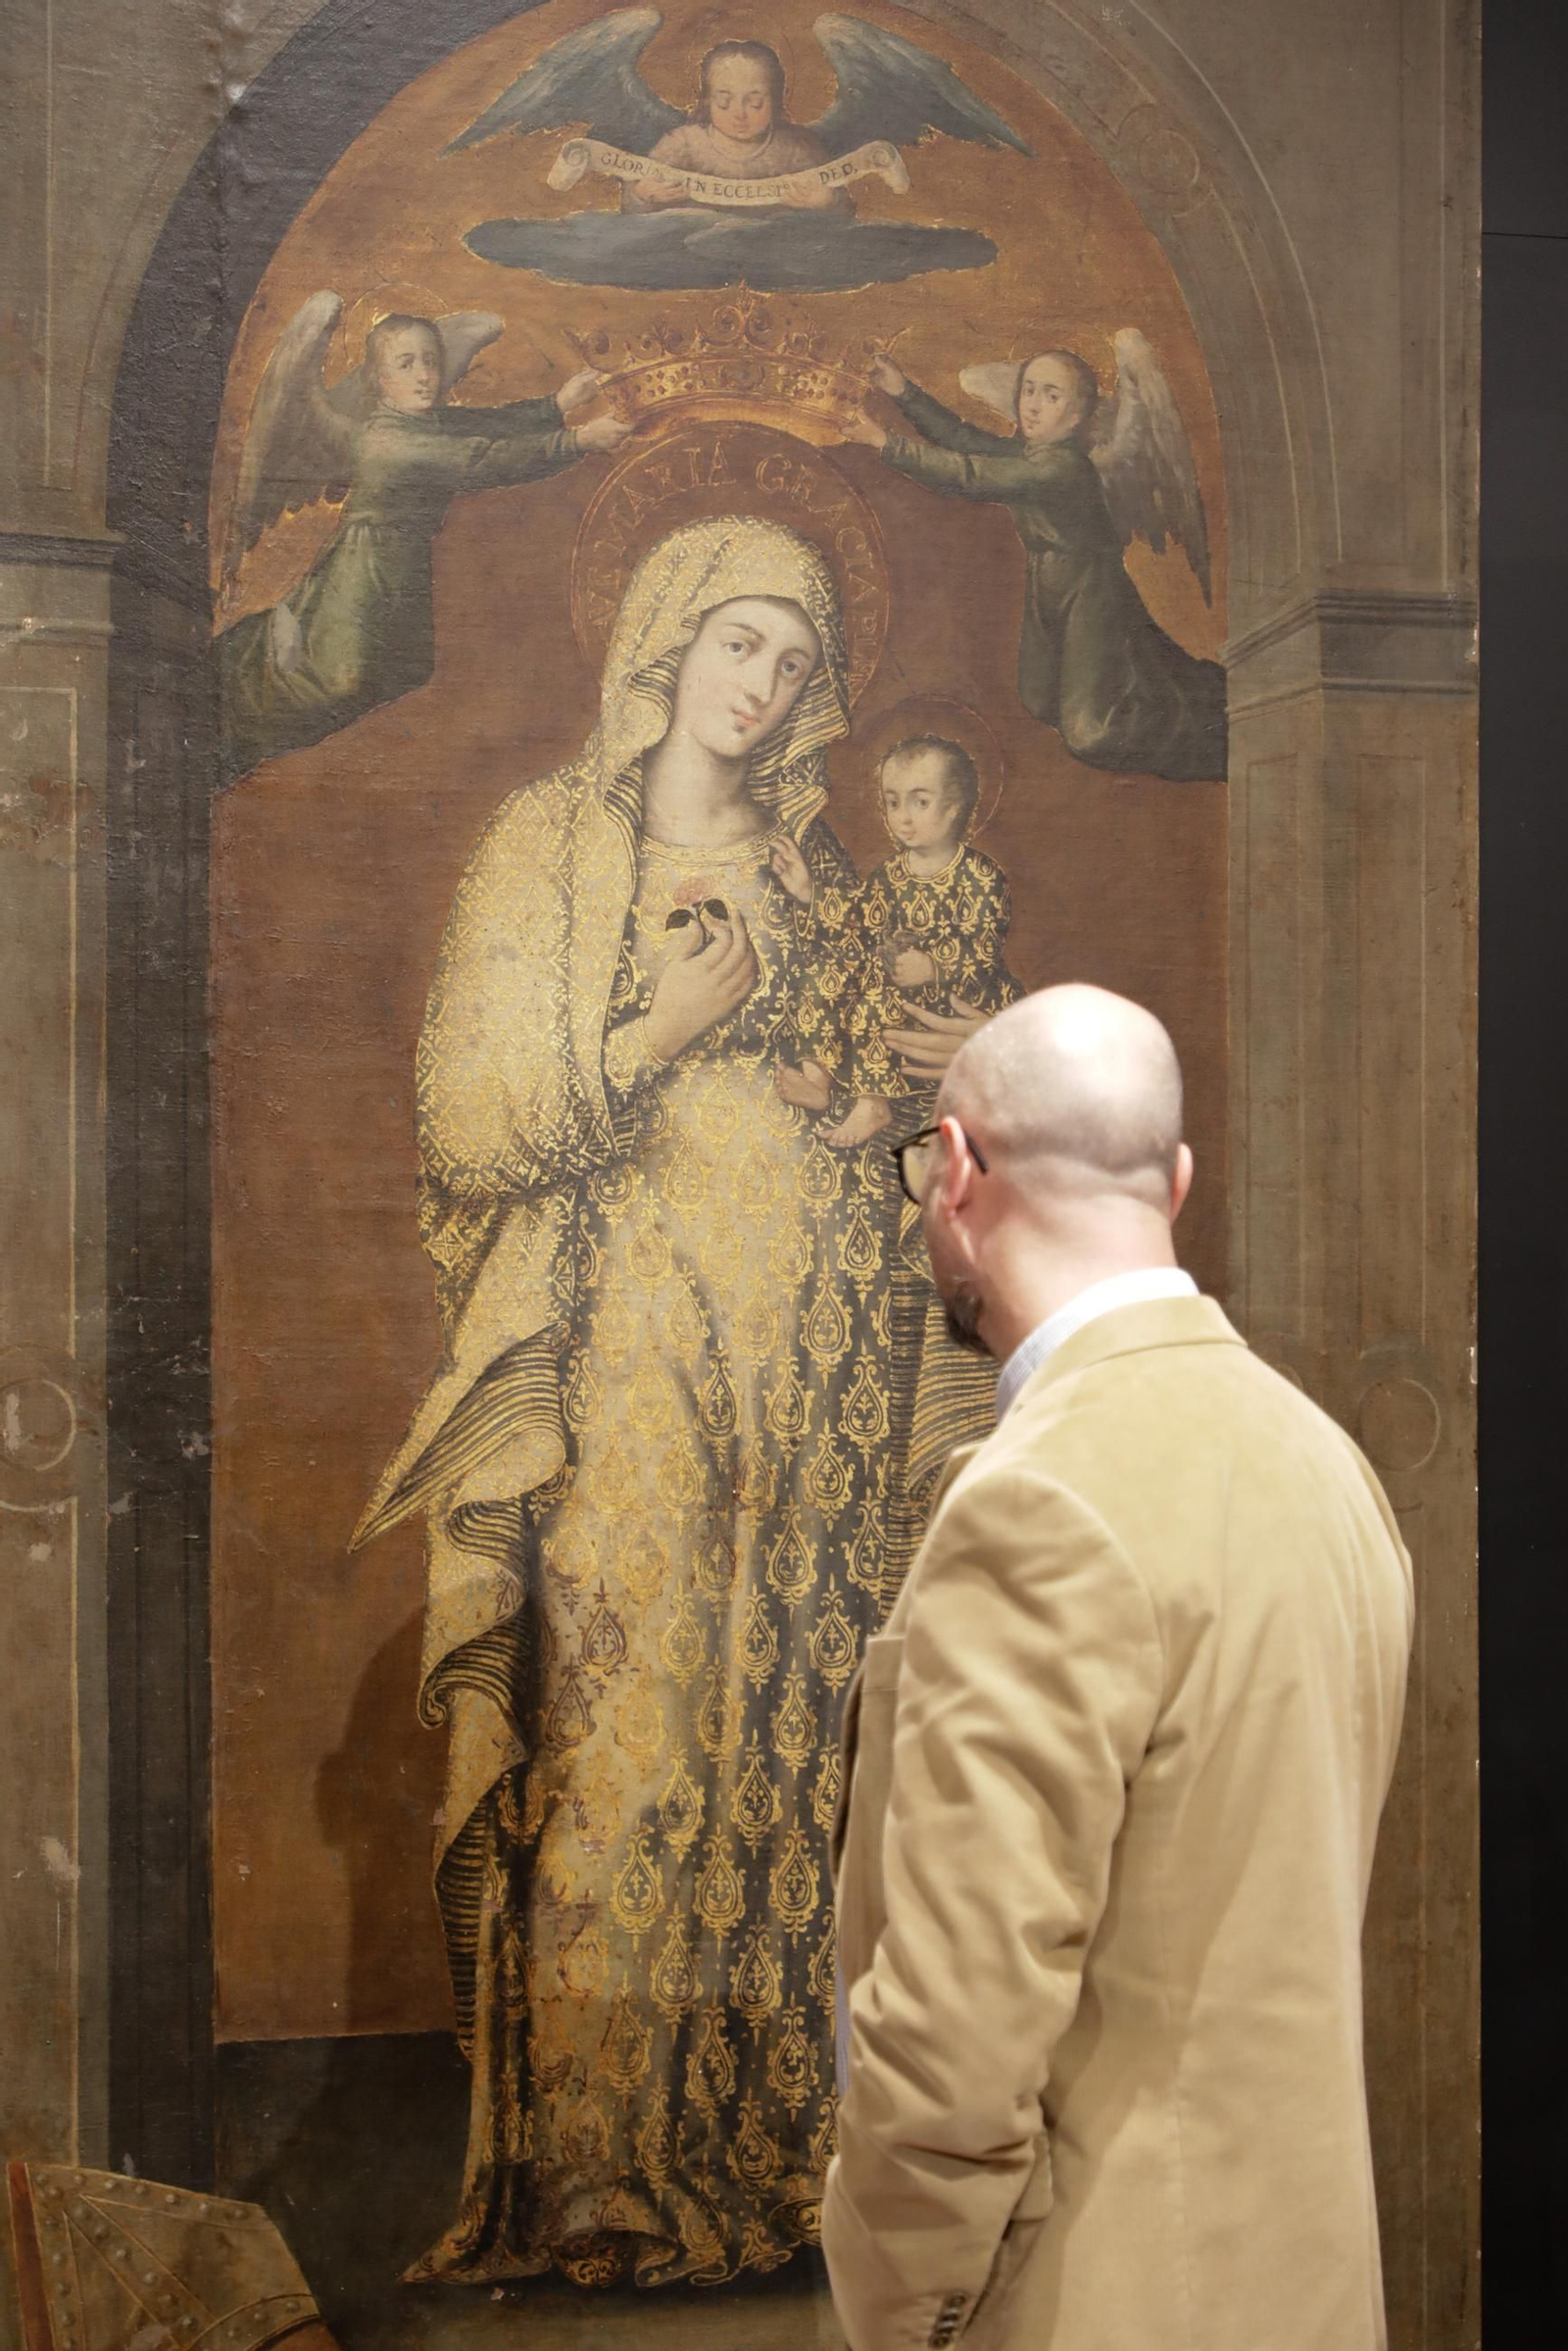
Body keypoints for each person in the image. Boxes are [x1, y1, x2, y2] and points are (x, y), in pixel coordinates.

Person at [353, 516, 920, 2289]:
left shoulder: (823, 868)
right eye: (739, 642)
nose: (762, 685)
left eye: (794, 658)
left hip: (819, 1345)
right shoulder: (551, 842)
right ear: (666, 637)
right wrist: (659, 1030)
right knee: (634, 1717)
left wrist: (866, 1109)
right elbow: (472, 1114)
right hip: (635, 1336)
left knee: (791, 1735)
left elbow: (857, 1088)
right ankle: (600, 2169)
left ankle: (780, 2158)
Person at [822, 984, 1414, 2351]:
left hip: (1106, 2302)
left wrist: (896, 2313)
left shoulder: (1037, 1499)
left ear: (955, 1171)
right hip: (1309, 2291)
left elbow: (953, 2043)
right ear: (1179, 1180)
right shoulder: (1327, 1463)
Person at [219, 315, 628, 779]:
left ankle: (246, 719)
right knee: (341, 678)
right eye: (406, 364)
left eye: (431, 362)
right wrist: (577, 440)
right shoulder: (388, 441)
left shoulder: (426, 423)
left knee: (405, 668)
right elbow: (483, 459)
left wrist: (558, 403)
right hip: (364, 564)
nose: (425, 375)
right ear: (379, 379)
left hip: (402, 562)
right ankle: (234, 696)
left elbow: (489, 424)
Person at [843, 354, 1227, 782]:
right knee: (1038, 697)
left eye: (1051, 395)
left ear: (1077, 415)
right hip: (1049, 581)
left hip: (1090, 588)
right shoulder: (1029, 454)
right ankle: (1179, 696)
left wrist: (885, 443)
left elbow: (969, 475)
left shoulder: (1062, 466)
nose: (1032, 405)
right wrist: (903, 390)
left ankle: (1206, 737)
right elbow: (962, 439)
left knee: (1091, 735)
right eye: (1029, 390)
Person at [771, 733, 1021, 1151]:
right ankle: (817, 1078)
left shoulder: (981, 876)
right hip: (894, 981)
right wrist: (810, 894)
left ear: (955, 808)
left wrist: (933, 965)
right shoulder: (891, 874)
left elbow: (984, 947)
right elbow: (860, 920)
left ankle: (873, 1103)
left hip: (950, 997)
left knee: (874, 996)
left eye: (919, 802)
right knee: (826, 976)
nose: (902, 817)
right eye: (892, 802)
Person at [623, 39, 853, 214]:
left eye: (755, 103)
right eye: (724, 101)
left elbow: (845, 211)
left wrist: (827, 201)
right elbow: (632, 206)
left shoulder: (797, 149)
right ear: (707, 101)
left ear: (774, 100)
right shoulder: (682, 144)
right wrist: (643, 194)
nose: (739, 114)